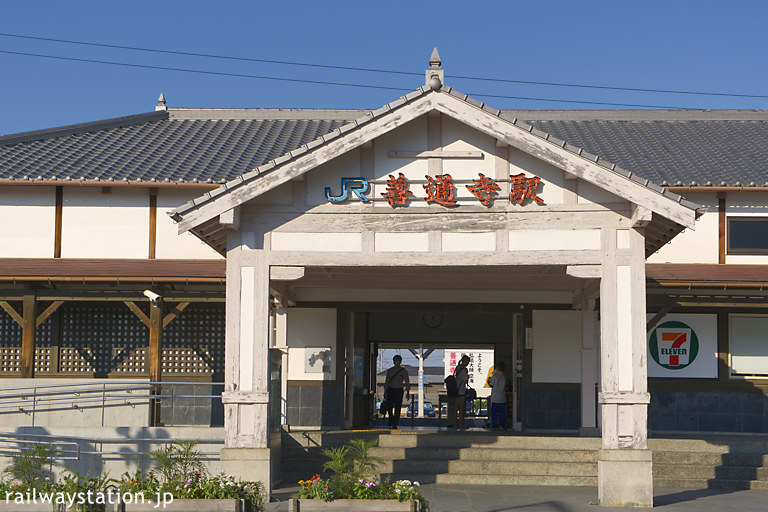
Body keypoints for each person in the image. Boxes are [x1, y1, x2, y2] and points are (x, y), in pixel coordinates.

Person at [384, 355, 410, 429]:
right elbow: (387, 381)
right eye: (395, 360)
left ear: (400, 361)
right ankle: (391, 419)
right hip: (390, 390)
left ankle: (395, 422)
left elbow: (407, 382)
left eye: (398, 360)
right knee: (389, 406)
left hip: (399, 390)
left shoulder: (404, 371)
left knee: (398, 407)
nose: (396, 362)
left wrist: (408, 392)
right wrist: (385, 391)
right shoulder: (390, 371)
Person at [488, 362, 507, 429]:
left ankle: (493, 425)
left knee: (494, 412)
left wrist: (489, 381)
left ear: (498, 367)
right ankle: (502, 425)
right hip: (502, 396)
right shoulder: (503, 376)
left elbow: (491, 384)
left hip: (495, 397)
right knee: (502, 412)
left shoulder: (495, 375)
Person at [454, 355, 470, 430]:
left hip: (456, 390)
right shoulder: (463, 370)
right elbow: (466, 380)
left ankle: (455, 423)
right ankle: (461, 424)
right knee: (462, 408)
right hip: (461, 390)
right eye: (467, 361)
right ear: (464, 361)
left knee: (456, 408)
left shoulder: (457, 368)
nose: (468, 363)